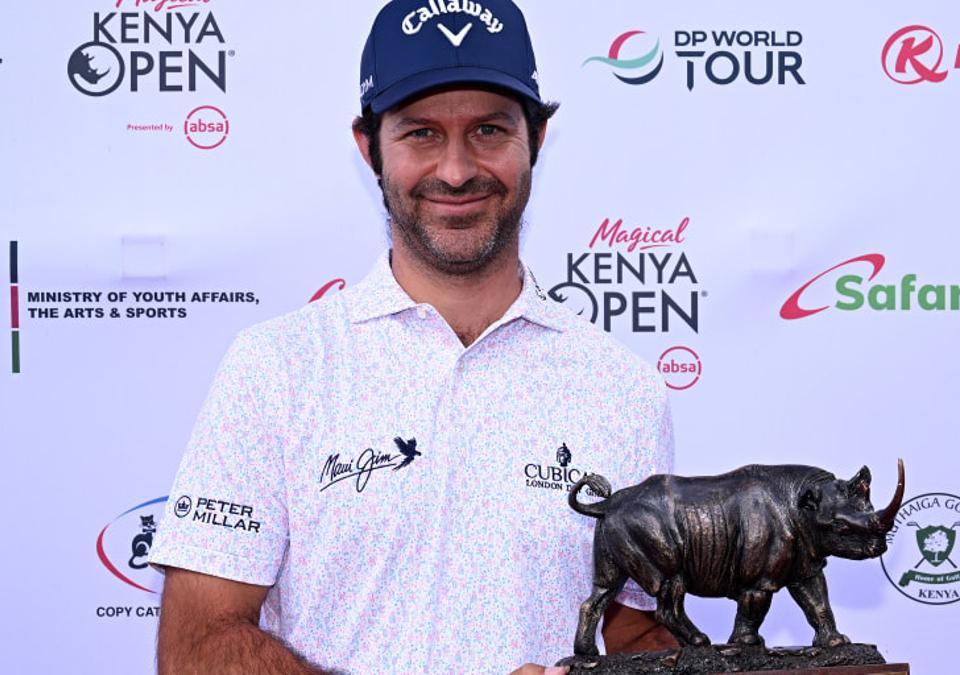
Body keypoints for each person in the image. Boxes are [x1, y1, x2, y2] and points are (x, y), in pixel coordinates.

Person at [148, 1, 678, 673]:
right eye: (422, 133)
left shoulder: (622, 388)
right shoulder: (279, 367)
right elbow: (197, 646)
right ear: (370, 147)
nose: (456, 171)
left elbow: (635, 632)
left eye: (488, 129)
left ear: (537, 138)